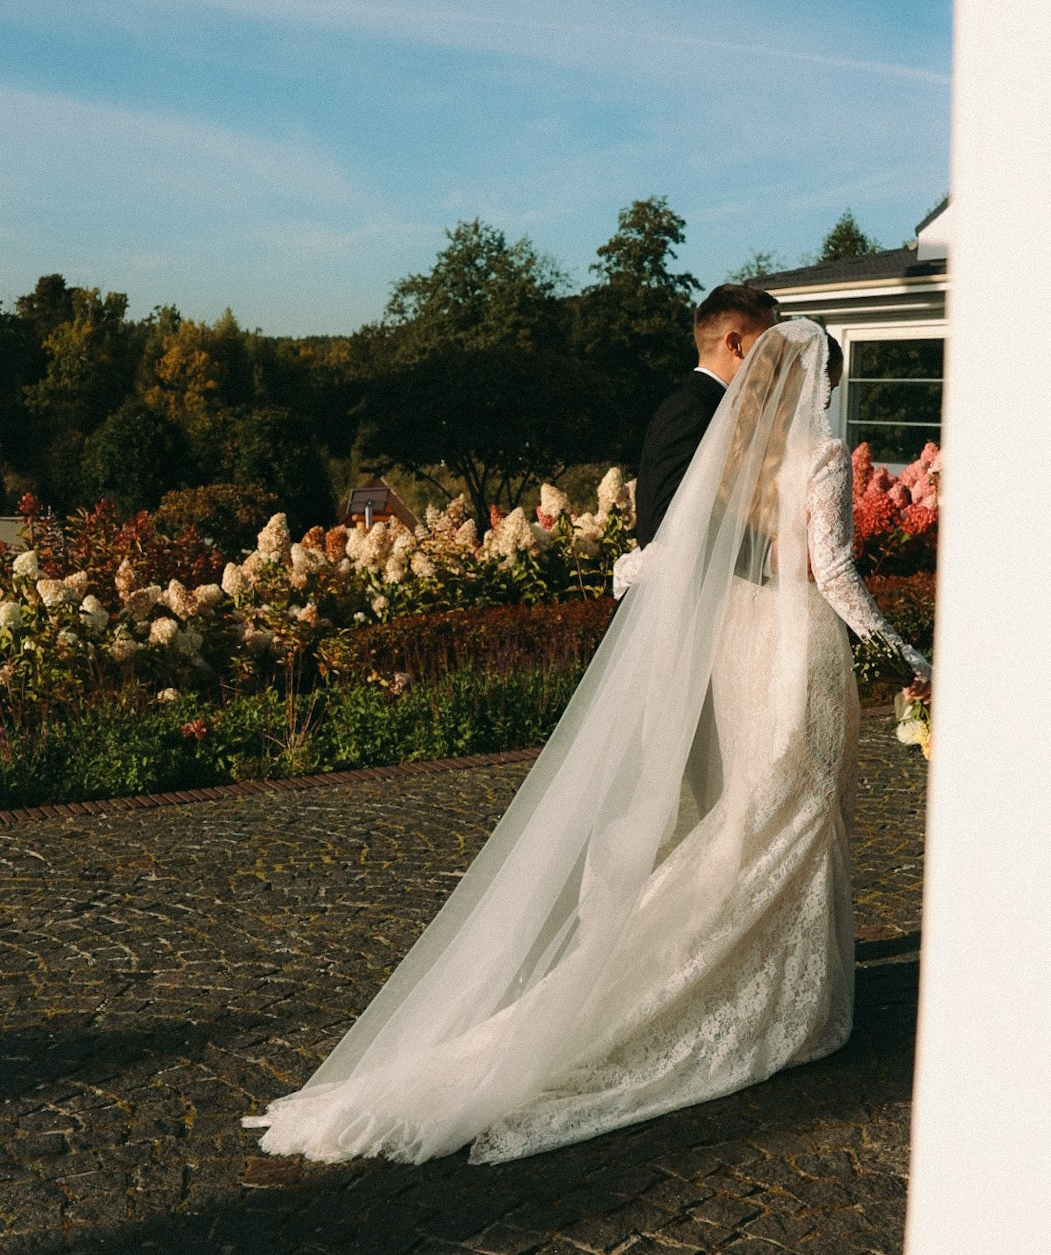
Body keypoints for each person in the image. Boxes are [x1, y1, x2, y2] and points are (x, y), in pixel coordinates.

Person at [244, 321, 932, 1166]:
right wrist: (911, 653)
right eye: (828, 374)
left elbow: (663, 557)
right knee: (793, 821)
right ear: (813, 379)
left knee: (755, 821)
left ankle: (766, 986)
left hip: (740, 655)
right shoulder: (820, 458)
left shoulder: (737, 458)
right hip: (797, 652)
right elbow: (832, 575)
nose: (826, 391)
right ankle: (775, 1003)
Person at [634, 283, 779, 549]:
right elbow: (663, 522)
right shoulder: (690, 409)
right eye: (768, 343)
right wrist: (766, 555)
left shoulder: (721, 405)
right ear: (735, 344)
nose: (775, 355)